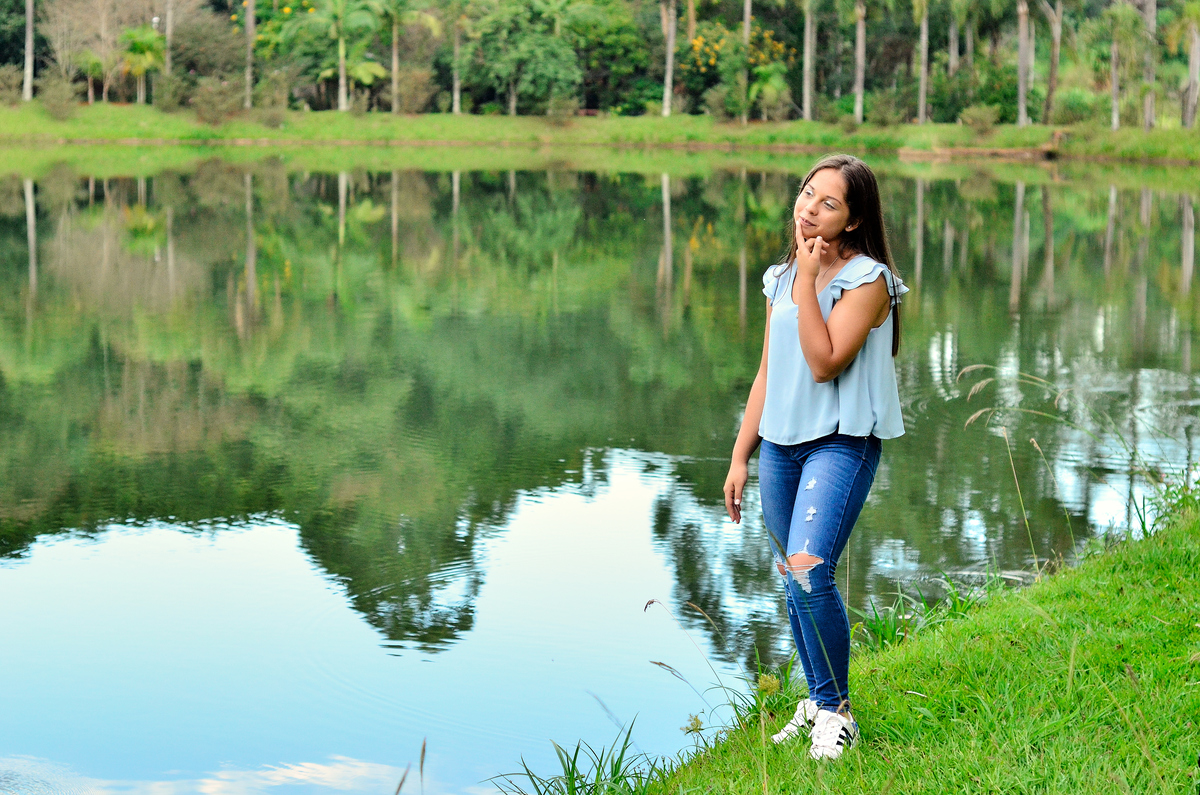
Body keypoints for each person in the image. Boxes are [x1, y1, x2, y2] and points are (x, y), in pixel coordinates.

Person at [722, 154, 907, 761]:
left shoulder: (869, 281)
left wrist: (806, 283)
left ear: (852, 220)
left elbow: (825, 362)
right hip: (779, 446)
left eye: (829, 203)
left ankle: (836, 711)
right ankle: (816, 700)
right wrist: (740, 456)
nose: (809, 208)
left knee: (808, 568)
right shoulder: (780, 277)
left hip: (840, 441)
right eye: (807, 194)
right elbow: (768, 372)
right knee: (792, 577)